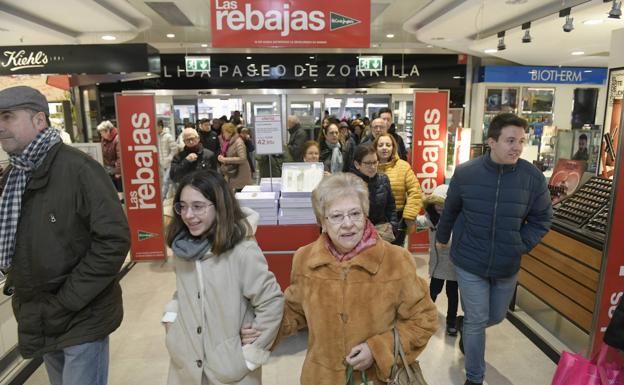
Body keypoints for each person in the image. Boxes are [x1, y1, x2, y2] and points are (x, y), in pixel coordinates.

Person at [242, 173, 438, 384]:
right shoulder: (305, 259)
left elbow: (424, 320)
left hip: (374, 378)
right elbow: (294, 311)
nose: (348, 224)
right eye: (336, 216)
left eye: (355, 213)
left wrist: (378, 349)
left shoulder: (396, 261)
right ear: (322, 222)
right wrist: (261, 328)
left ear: (366, 215)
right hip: (321, 377)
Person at [0, 86, 130, 385]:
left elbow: (113, 241)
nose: (0, 126)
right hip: (41, 315)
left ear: (39, 120)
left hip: (80, 315)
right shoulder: (15, 176)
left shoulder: (79, 170)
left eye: (8, 116)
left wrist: (67, 301)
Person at [436, 113, 553, 385]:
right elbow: (450, 209)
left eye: (521, 141)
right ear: (491, 141)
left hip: (506, 264)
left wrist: (520, 244)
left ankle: (468, 327)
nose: (517, 147)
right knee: (478, 320)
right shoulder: (466, 173)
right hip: (469, 260)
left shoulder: (532, 178)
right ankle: (475, 377)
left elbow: (542, 218)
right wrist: (442, 236)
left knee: (496, 317)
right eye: (510, 140)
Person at [163, 170, 284, 385]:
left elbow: (272, 301)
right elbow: (183, 291)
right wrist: (171, 318)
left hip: (231, 372)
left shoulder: (242, 251)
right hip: (186, 367)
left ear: (219, 206)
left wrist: (248, 357)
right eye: (182, 206)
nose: (188, 215)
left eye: (198, 206)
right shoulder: (183, 248)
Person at [415, 184, 459, 336]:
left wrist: (447, 241)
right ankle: (426, 316)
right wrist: (410, 214)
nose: (439, 207)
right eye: (436, 203)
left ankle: (452, 321)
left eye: (443, 204)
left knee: (452, 294)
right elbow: (418, 222)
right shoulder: (431, 218)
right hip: (437, 265)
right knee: (433, 291)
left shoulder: (457, 219)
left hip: (453, 265)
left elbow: (458, 237)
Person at [375, 133, 423, 247]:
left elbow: (415, 191)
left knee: (396, 255)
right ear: (375, 148)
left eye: (388, 145)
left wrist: (409, 215)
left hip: (398, 218)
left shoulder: (403, 166)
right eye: (380, 145)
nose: (384, 148)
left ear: (393, 147)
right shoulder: (369, 166)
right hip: (374, 218)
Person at [350, 144, 398, 243]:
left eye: (375, 162)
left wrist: (393, 226)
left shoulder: (383, 179)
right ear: (357, 164)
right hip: (358, 236)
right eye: (367, 163)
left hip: (382, 234)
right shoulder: (349, 183)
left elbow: (391, 206)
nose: (372, 167)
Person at [218, 123, 252, 191]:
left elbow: (242, 158)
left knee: (240, 195)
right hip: (233, 173)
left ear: (230, 133)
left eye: (224, 133)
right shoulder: (228, 142)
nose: (223, 135)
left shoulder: (238, 142)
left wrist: (225, 159)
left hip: (240, 173)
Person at [96, 120, 123, 192]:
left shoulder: (117, 139)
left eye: (102, 133)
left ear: (107, 131)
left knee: (119, 191)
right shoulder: (104, 139)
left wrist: (118, 171)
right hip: (109, 169)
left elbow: (120, 157)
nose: (101, 135)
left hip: (116, 171)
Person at [158, 119, 178, 200]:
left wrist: (169, 159)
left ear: (160, 126)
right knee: (173, 181)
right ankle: (179, 195)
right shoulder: (155, 137)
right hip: (161, 164)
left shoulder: (168, 136)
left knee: (166, 181)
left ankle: (161, 200)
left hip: (170, 163)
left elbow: (175, 149)